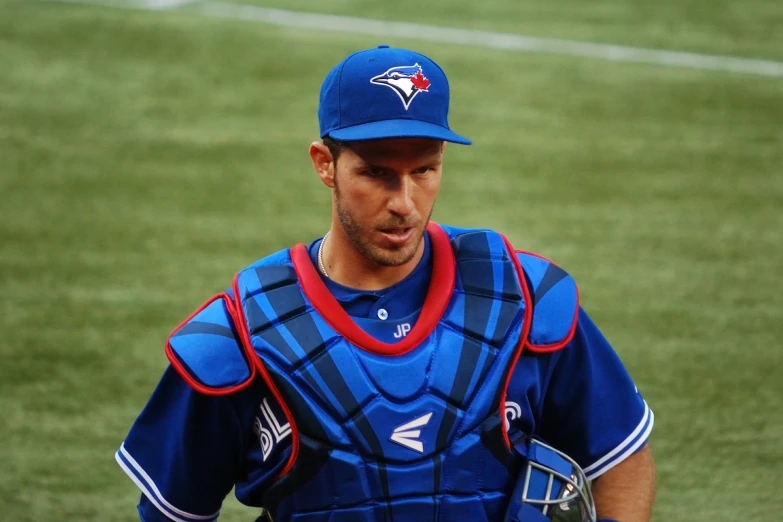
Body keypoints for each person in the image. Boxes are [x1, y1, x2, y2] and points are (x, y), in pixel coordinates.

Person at [116, 45, 656, 522]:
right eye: (375, 173)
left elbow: (621, 458)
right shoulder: (244, 330)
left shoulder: (521, 296)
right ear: (325, 164)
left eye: (424, 170)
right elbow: (173, 511)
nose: (404, 203)